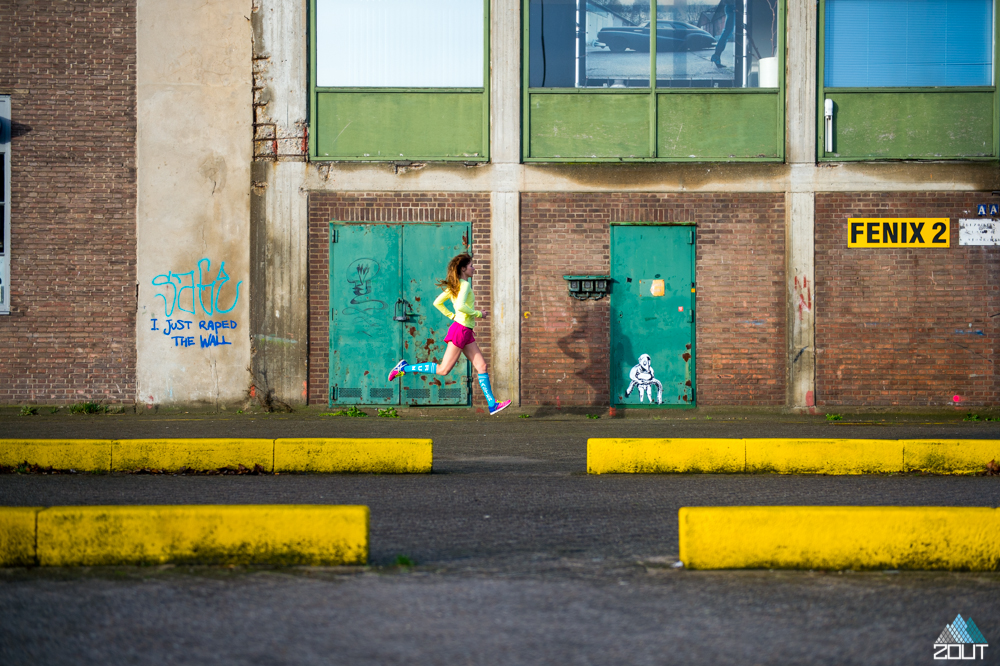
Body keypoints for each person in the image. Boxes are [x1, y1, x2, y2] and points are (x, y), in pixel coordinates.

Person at [387, 253, 511, 416]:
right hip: (461, 330)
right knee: (443, 370)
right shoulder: (464, 285)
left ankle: (492, 404)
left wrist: (452, 316)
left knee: (481, 366)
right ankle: (405, 368)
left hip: (465, 330)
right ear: (463, 269)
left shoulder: (455, 286)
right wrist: (478, 313)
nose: (474, 268)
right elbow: (459, 306)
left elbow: (437, 302)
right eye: (471, 266)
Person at [710, 0, 735, 68]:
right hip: (733, 7)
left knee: (727, 32)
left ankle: (716, 56)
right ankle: (716, 56)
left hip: (732, 7)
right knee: (727, 32)